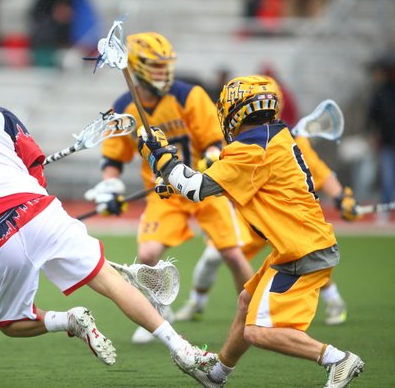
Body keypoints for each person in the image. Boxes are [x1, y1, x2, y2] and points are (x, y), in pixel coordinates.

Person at [0, 61, 218, 382]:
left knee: (10, 323)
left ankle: (68, 320)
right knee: (111, 283)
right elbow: (35, 169)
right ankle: (182, 348)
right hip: (39, 211)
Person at [136, 75, 365, 387]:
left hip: (301, 250)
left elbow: (196, 188)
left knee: (258, 331)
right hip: (297, 245)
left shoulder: (252, 149)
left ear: (234, 111)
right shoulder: (274, 137)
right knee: (247, 300)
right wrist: (175, 177)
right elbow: (223, 182)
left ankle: (336, 359)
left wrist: (163, 159)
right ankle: (216, 375)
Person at [84, 32, 253, 344]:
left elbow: (215, 140)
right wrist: (110, 183)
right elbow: (113, 155)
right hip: (165, 193)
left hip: (203, 186)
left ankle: (257, 316)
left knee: (231, 253)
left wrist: (212, 157)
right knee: (147, 253)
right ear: (136, 66)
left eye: (165, 65)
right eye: (155, 65)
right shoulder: (124, 107)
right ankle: (158, 312)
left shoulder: (189, 95)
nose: (163, 72)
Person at [175, 75, 358, 326]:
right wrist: (213, 163)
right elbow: (235, 166)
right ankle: (199, 303)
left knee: (304, 255)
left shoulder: (285, 139)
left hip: (282, 217)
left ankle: (332, 301)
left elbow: (321, 172)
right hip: (255, 220)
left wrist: (341, 196)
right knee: (213, 256)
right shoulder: (252, 138)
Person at [366, 54, 395, 224]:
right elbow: (372, 115)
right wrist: (372, 133)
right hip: (387, 142)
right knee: (387, 178)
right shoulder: (381, 92)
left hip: (388, 140)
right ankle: (385, 210)